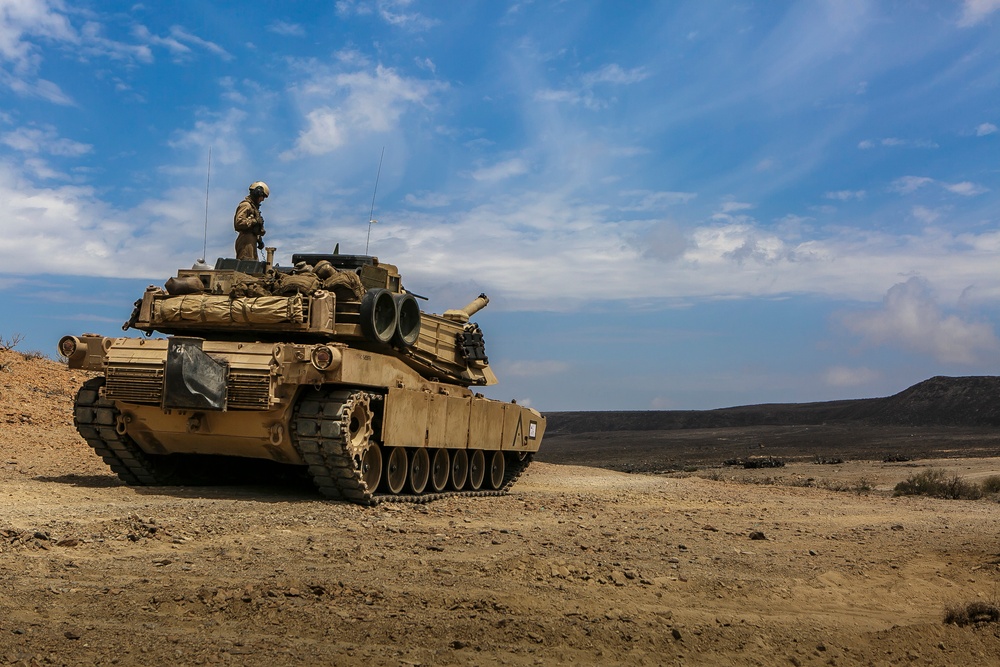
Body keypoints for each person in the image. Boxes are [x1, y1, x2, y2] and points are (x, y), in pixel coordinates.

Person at [234, 181, 269, 261]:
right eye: (262, 196)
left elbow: (253, 228)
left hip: (251, 241)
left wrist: (259, 240)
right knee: (246, 266)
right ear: (257, 193)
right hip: (245, 241)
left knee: (253, 266)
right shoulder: (246, 205)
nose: (263, 199)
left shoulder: (253, 207)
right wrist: (254, 221)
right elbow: (238, 223)